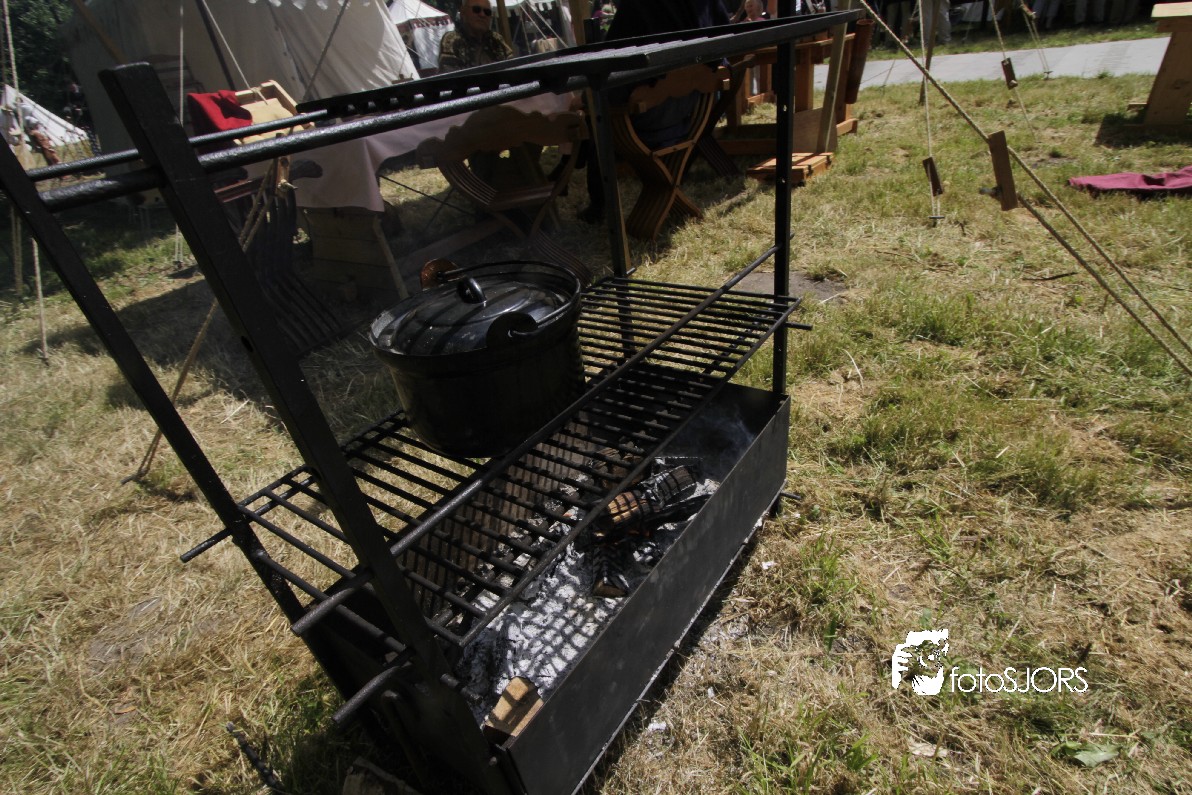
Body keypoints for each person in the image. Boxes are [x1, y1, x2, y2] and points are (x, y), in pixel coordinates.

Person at [438, 0, 514, 73]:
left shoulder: (497, 40)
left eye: (487, 12)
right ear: (463, 13)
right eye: (476, 10)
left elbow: (513, 68)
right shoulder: (452, 40)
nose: (482, 15)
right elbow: (451, 76)